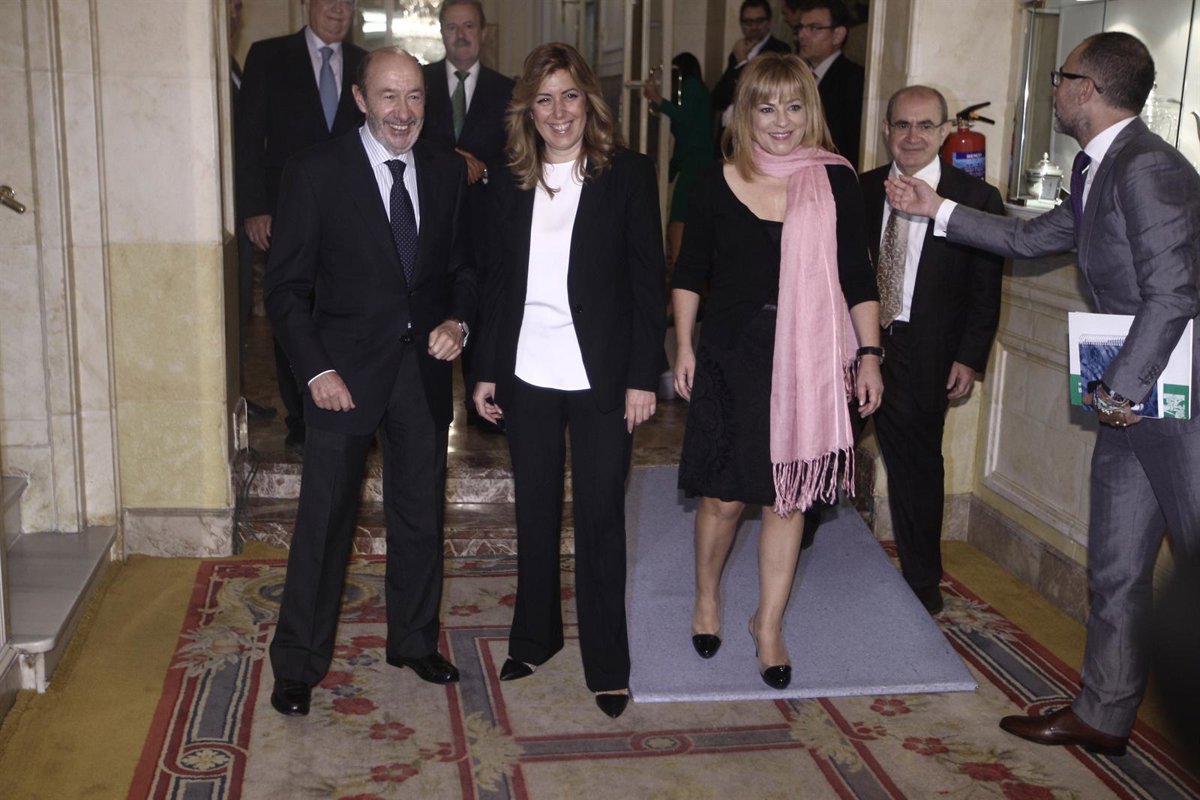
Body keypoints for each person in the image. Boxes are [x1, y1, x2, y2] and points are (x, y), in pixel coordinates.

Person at [886, 31, 1200, 756]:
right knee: (1116, 568)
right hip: (1129, 403)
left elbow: (1174, 294)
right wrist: (936, 209)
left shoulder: (1148, 167)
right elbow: (1030, 241)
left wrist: (1119, 389)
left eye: (1061, 77)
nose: (1053, 89)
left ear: (1087, 89)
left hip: (1174, 406)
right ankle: (1104, 713)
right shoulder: (1097, 167)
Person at [264, 48, 476, 717]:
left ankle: (413, 642)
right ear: (360, 99)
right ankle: (298, 664)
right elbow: (286, 289)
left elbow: (466, 268)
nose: (403, 112)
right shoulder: (315, 172)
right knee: (324, 523)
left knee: (420, 517)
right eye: (388, 96)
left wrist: (459, 321)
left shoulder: (446, 170)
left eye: (414, 96)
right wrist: (316, 371)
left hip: (422, 376)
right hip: (341, 379)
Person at [673, 53, 882, 689]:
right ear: (745, 113)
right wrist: (682, 345)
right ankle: (707, 597)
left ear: (810, 111)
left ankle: (767, 625)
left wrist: (869, 354)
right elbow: (690, 271)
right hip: (731, 356)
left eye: (794, 106)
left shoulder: (835, 181)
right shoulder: (714, 182)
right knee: (723, 496)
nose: (781, 120)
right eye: (766, 107)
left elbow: (857, 275)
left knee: (786, 498)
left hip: (810, 361)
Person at [472, 43, 666, 719]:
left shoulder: (628, 174)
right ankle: (535, 637)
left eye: (570, 96)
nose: (559, 112)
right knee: (533, 512)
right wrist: (485, 370)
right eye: (545, 99)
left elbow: (648, 282)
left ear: (590, 101)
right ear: (528, 110)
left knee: (601, 517)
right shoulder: (508, 180)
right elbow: (495, 284)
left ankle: (607, 663)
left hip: (602, 375)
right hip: (526, 370)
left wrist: (643, 375)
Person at [860, 86, 1004, 615]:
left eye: (925, 125)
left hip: (926, 350)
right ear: (886, 130)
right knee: (824, 444)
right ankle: (800, 541)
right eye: (902, 124)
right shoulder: (861, 188)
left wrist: (969, 356)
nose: (913, 136)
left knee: (918, 466)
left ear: (944, 132)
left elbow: (985, 290)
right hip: (857, 344)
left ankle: (922, 579)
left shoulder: (977, 200)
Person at [236, 0, 366, 452]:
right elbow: (248, 137)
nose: (338, 8)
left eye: (347, 1)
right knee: (292, 311)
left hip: (353, 217)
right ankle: (302, 418)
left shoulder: (365, 63)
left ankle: (353, 410)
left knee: (351, 312)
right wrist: (255, 207)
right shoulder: (269, 56)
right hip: (285, 213)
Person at [420, 0, 514, 433]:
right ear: (441, 32)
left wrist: (486, 169)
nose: (460, 35)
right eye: (452, 27)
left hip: (489, 223)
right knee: (437, 313)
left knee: (487, 309)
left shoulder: (508, 90)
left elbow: (521, 156)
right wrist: (453, 159)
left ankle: (485, 406)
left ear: (484, 32)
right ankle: (429, 409)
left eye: (469, 26)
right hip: (431, 224)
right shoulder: (419, 83)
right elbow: (405, 140)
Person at [228, 0, 277, 421]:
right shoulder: (212, 67)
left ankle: (237, 396)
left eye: (236, 8)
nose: (232, 15)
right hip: (228, 210)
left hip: (236, 209)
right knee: (233, 307)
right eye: (227, 7)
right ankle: (232, 397)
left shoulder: (232, 65)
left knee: (240, 304)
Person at [644, 52, 714, 271]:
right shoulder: (698, 89)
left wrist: (657, 99)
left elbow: (684, 119)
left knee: (679, 216)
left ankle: (679, 268)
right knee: (686, 216)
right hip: (696, 161)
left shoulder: (691, 86)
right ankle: (682, 268)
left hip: (695, 162)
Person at [711, 0, 792, 153]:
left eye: (759, 21)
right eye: (748, 22)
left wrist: (743, 61)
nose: (754, 27)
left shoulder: (779, 50)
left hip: (760, 137)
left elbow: (759, 93)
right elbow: (719, 97)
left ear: (769, 22)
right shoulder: (738, 52)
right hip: (731, 134)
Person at [792, 0, 864, 170]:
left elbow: (848, 143)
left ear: (838, 35)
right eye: (801, 27)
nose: (802, 35)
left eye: (814, 28)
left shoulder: (853, 79)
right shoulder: (798, 75)